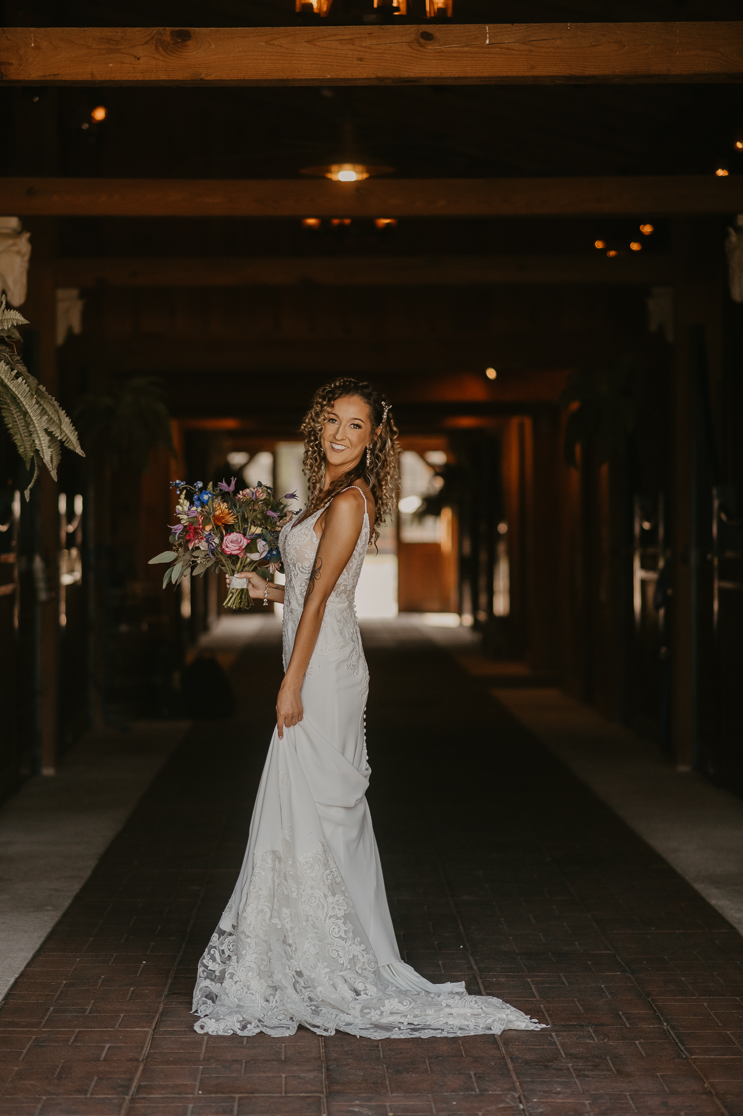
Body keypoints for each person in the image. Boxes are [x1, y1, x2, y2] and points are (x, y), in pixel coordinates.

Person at [192, 377, 543, 1039]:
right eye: (333, 420)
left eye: (356, 426)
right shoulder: (323, 495)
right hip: (314, 652)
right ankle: (311, 947)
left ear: (374, 437)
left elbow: (323, 602)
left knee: (323, 803)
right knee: (315, 808)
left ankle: (341, 959)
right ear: (316, 422)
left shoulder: (350, 502)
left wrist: (291, 682)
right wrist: (259, 583)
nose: (341, 434)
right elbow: (302, 589)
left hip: (324, 666)